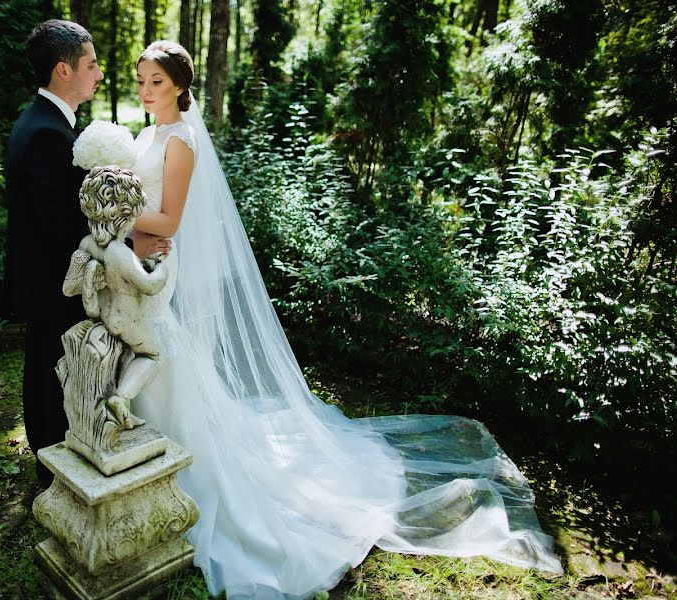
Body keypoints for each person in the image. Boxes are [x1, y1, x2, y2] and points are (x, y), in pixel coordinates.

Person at [126, 40, 562, 600]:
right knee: (161, 363)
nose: (145, 91)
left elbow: (171, 218)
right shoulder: (143, 136)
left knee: (171, 363)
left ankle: (185, 471)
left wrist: (112, 213)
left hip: (161, 263)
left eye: (155, 81)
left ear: (180, 86)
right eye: (140, 80)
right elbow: (149, 218)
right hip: (142, 260)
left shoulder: (181, 142)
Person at [3, 19, 104, 486]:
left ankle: (54, 472)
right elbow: (61, 226)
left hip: (45, 280)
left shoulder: (43, 122)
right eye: (91, 64)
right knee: (53, 379)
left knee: (49, 375)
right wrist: (116, 245)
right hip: (52, 283)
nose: (99, 73)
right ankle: (54, 481)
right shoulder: (47, 134)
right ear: (63, 70)